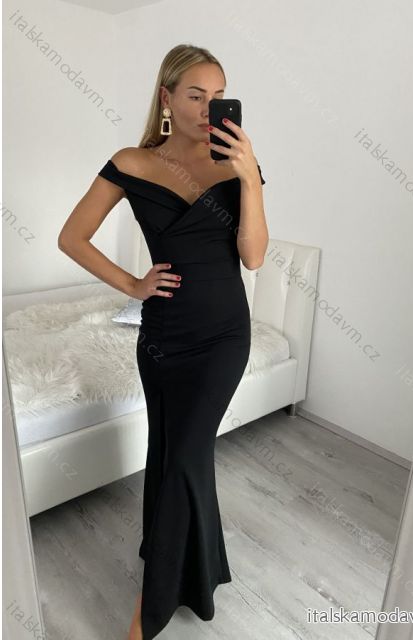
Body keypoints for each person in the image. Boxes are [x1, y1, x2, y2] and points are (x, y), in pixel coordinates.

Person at [57, 43, 268, 639]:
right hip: (163, 337)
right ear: (167, 97)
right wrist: (133, 284)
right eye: (195, 95)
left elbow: (253, 256)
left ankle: (148, 611)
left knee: (185, 455)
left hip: (224, 334)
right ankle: (195, 568)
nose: (208, 107)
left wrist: (249, 179)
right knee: (172, 452)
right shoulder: (131, 162)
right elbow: (72, 237)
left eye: (218, 95)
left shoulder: (237, 164)